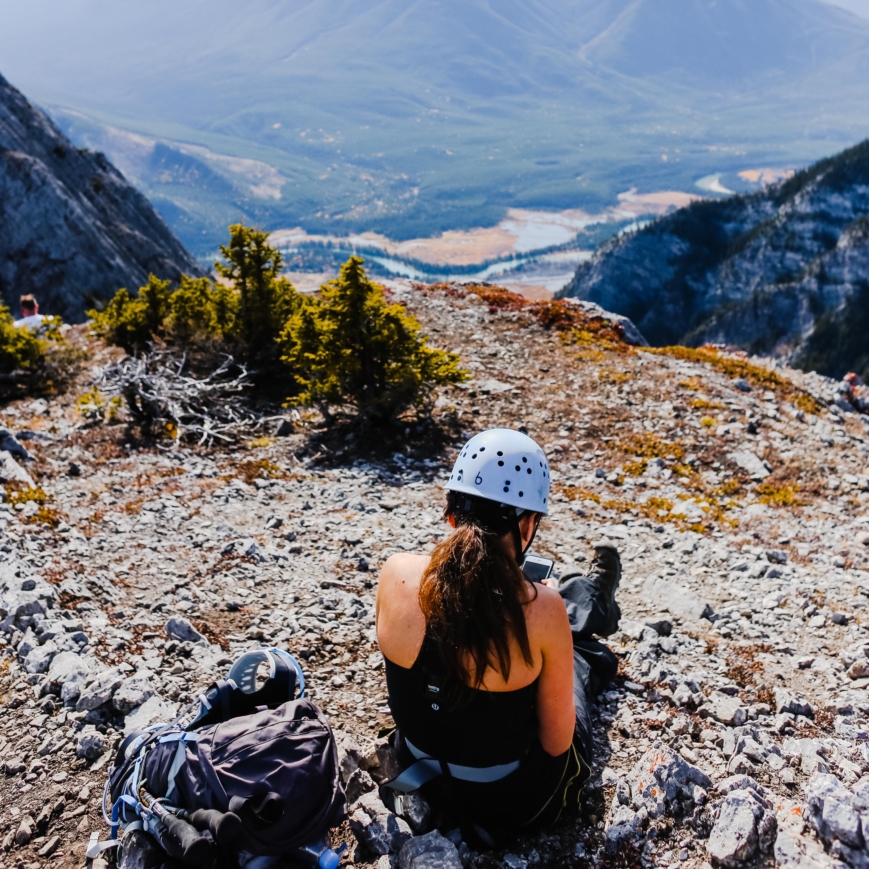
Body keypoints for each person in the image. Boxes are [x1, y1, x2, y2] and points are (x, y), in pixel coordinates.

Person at [376, 429, 622, 845]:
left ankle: (592, 597)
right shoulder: (542, 608)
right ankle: (595, 596)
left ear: (451, 508)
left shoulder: (395, 572)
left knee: (548, 624)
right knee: (578, 657)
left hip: (417, 773)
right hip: (511, 803)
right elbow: (557, 743)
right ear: (527, 524)